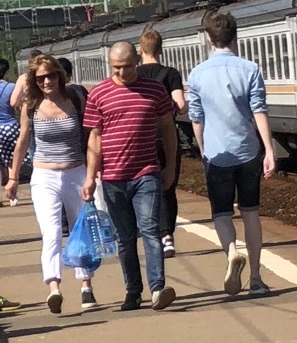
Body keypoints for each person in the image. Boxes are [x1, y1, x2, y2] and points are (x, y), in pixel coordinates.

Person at [185, 10, 276, 299]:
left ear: (209, 39)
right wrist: (269, 150)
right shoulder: (250, 69)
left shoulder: (197, 74)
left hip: (216, 154)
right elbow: (259, 110)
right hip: (248, 152)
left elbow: (196, 119)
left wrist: (202, 150)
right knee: (251, 213)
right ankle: (257, 278)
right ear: (235, 35)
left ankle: (232, 253)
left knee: (222, 214)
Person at [82, 42, 178, 311]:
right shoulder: (99, 94)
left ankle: (158, 288)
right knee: (124, 237)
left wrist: (169, 165)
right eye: (116, 67)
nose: (121, 72)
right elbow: (95, 138)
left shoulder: (155, 90)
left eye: (126, 66)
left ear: (136, 60)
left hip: (146, 172)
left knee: (149, 229)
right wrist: (90, 176)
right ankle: (133, 292)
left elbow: (168, 128)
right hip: (112, 176)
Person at [3, 56, 97, 313]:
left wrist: (92, 174)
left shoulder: (76, 99)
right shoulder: (31, 105)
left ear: (59, 76)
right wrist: (13, 177)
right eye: (40, 78)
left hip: (75, 172)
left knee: (81, 231)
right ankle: (54, 287)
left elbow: (90, 138)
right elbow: (23, 141)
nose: (46, 81)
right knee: (51, 232)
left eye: (51, 76)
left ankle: (86, 285)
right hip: (44, 177)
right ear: (34, 81)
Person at [135, 26, 186, 256]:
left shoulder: (133, 74)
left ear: (140, 50)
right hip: (165, 136)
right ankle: (168, 236)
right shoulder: (171, 73)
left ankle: (150, 233)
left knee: (143, 187)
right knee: (168, 186)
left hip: (140, 138)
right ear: (161, 50)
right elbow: (181, 104)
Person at [0, 58, 18, 188]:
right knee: (12, 160)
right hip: (11, 127)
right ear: (5, 72)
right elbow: (17, 105)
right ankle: (13, 194)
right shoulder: (11, 87)